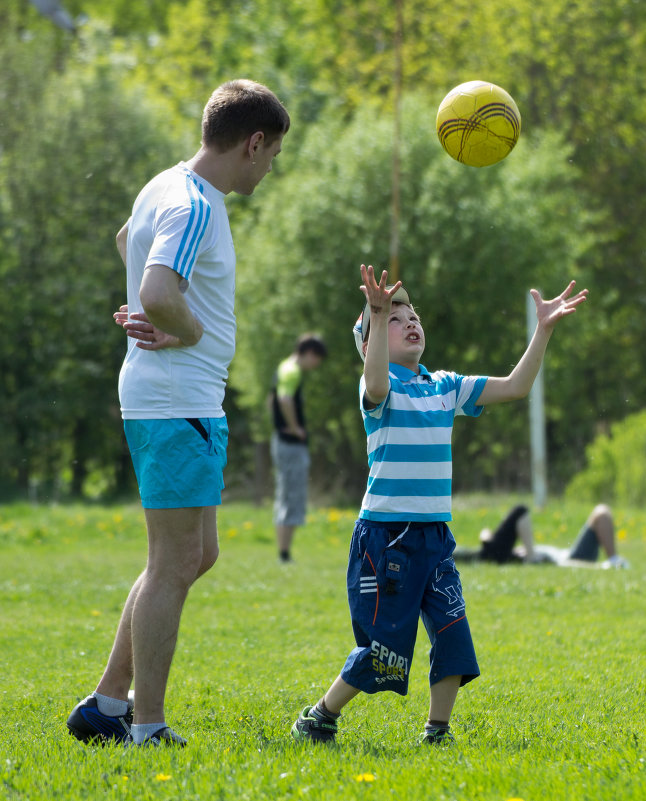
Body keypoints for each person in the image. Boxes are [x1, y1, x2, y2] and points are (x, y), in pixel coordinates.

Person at [66, 80, 290, 747]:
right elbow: (159, 287)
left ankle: (107, 701)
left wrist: (152, 311)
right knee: (173, 561)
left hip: (176, 398)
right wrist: (181, 327)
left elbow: (127, 238)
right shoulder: (196, 205)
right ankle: (144, 722)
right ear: (252, 143)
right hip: (176, 398)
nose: (270, 166)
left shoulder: (166, 184)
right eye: (272, 154)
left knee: (198, 552)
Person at [290, 264, 587, 746]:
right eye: (391, 318)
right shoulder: (378, 388)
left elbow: (515, 386)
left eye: (412, 315)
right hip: (386, 538)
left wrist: (543, 331)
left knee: (452, 632)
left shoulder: (445, 385)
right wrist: (375, 309)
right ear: (369, 346)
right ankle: (320, 715)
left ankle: (438, 730)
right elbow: (377, 382)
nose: (408, 320)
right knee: (384, 646)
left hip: (434, 538)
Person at [269, 333, 327, 563]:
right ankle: (284, 554)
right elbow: (284, 400)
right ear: (310, 353)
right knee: (291, 495)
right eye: (317, 359)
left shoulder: (283, 367)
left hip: (281, 442)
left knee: (287, 494)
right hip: (289, 444)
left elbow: (270, 400)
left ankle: (285, 552)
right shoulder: (292, 370)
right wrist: (295, 428)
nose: (317, 365)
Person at [455, 503, 629, 568]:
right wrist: (599, 567)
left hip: (564, 553)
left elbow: (485, 533)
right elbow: (564, 564)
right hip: (570, 557)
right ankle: (613, 561)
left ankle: (614, 559)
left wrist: (486, 537)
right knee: (602, 512)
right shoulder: (495, 554)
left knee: (602, 512)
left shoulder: (494, 551)